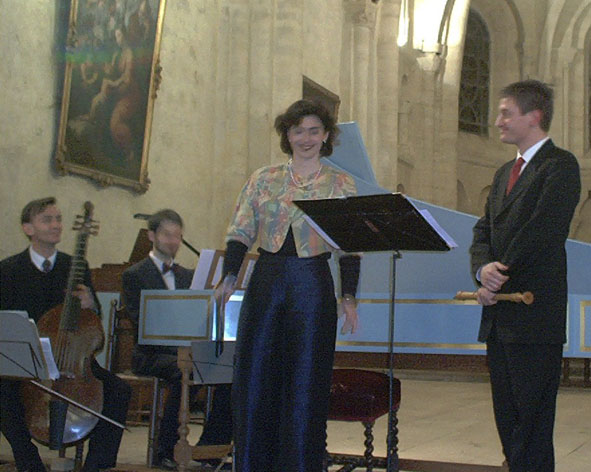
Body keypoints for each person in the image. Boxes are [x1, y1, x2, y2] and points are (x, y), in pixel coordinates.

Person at [216, 99, 361, 472]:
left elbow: (350, 246)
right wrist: (229, 277)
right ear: (288, 135)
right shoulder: (263, 178)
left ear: (326, 135)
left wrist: (349, 297)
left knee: (306, 382)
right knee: (254, 377)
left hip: (312, 285)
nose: (306, 138)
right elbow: (241, 230)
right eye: (299, 131)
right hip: (266, 281)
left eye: (314, 131)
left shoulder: (341, 183)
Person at [469, 80, 581, 471]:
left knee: (532, 420)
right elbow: (483, 230)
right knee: (507, 416)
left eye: (506, 113)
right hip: (500, 316)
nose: (497, 120)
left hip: (535, 314)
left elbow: (543, 229)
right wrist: (482, 268)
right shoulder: (503, 172)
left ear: (534, 116)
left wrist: (498, 274)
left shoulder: (560, 165)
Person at [0, 197, 131, 472]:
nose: (56, 225)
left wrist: (91, 304)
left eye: (58, 219)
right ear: (28, 228)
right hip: (29, 361)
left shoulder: (75, 265)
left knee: (118, 390)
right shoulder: (8, 270)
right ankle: (28, 461)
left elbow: (93, 321)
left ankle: (96, 465)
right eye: (47, 219)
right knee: (2, 390)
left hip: (73, 359)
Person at [121, 209, 232, 470]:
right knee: (187, 368)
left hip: (184, 351)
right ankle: (166, 448)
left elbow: (198, 318)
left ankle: (211, 447)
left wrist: (213, 301)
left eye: (178, 236)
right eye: (167, 235)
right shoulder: (134, 274)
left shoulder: (187, 275)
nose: (173, 241)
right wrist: (184, 347)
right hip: (151, 353)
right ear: (152, 236)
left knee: (232, 370)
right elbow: (141, 322)